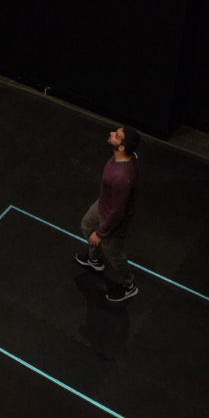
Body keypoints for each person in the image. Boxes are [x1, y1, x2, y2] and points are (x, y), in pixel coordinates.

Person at [76, 125, 141, 302]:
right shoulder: (129, 155)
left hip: (114, 216)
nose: (111, 133)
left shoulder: (122, 178)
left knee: (113, 253)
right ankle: (95, 260)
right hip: (103, 204)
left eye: (116, 135)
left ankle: (129, 285)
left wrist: (101, 233)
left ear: (121, 147)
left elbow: (118, 211)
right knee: (86, 225)